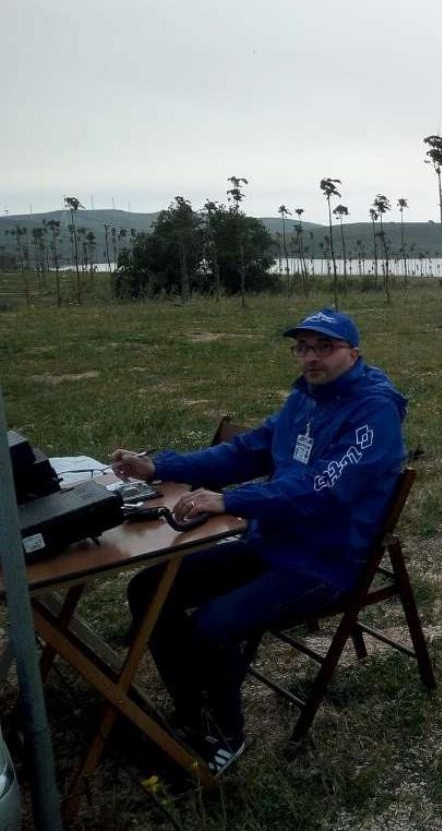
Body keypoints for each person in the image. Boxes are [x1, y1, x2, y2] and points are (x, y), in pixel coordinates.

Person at [111, 308, 407, 774]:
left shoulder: (374, 414)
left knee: (211, 626)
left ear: (353, 354)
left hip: (323, 562)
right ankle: (193, 711)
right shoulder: (305, 399)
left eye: (324, 347)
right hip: (271, 542)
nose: (311, 357)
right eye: (303, 348)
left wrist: (231, 500)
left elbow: (321, 488)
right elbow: (244, 451)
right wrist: (160, 467)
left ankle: (226, 734)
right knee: (149, 588)